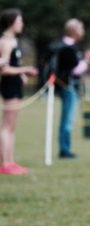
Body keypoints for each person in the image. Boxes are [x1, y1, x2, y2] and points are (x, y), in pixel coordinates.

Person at [0, 8, 38, 175]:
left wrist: (21, 74)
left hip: (15, 86)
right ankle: (5, 163)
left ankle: (10, 161)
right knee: (7, 126)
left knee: (12, 126)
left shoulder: (12, 41)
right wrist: (25, 69)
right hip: (9, 87)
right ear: (11, 22)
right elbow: (4, 69)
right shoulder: (7, 42)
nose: (22, 24)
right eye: (20, 21)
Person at [56, 18, 90, 159]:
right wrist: (87, 59)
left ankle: (65, 148)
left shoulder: (67, 47)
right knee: (67, 120)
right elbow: (75, 70)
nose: (83, 31)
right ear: (74, 31)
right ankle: (64, 150)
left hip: (68, 87)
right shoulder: (67, 48)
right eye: (81, 28)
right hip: (68, 87)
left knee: (68, 120)